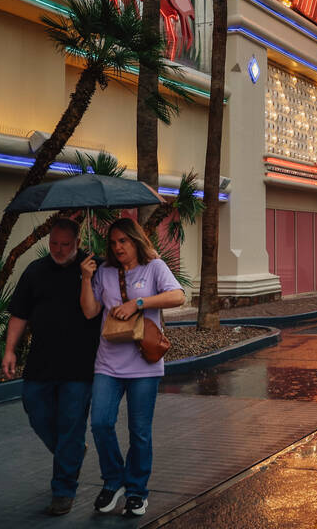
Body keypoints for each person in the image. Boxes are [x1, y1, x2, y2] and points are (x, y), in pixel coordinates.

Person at [81, 217, 185, 518]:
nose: (117, 247)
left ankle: (137, 491)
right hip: (108, 363)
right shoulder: (104, 272)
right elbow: (90, 311)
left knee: (139, 432)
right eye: (113, 243)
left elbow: (178, 296)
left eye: (123, 241)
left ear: (135, 240)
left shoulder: (154, 267)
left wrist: (138, 303)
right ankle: (113, 480)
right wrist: (87, 278)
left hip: (143, 365)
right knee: (100, 422)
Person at [2, 217, 99, 517]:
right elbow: (19, 314)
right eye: (53, 244)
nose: (58, 249)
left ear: (78, 243)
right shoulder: (35, 271)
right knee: (35, 409)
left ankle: (63, 490)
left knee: (71, 424)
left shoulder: (95, 268)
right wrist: (9, 350)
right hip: (41, 362)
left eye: (65, 245)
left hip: (80, 365)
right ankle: (70, 452)